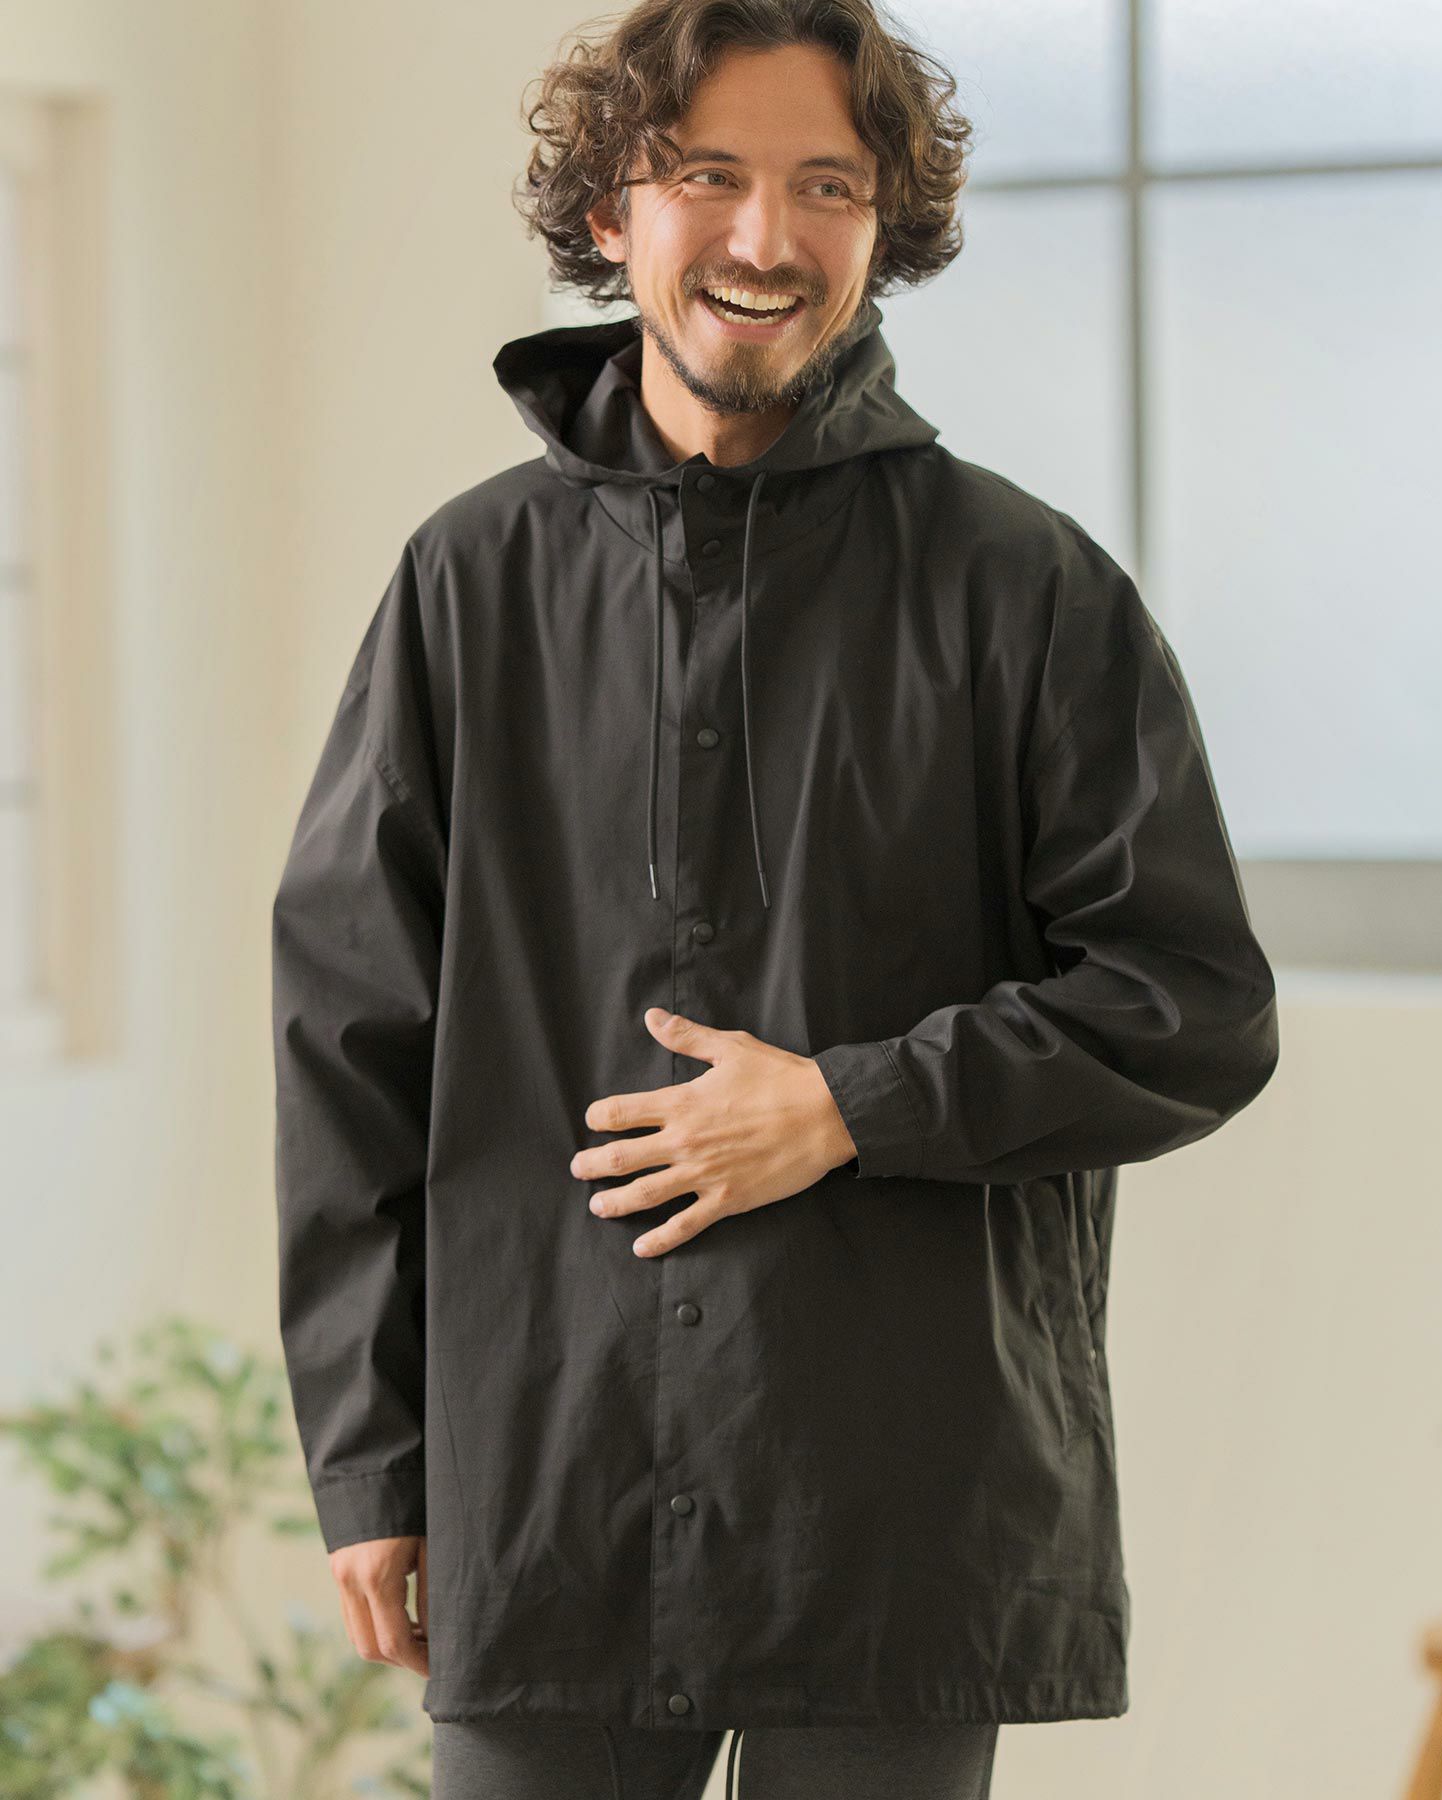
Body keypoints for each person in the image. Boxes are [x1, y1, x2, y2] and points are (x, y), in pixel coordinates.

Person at [270, 1, 1280, 1796]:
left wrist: (847, 1105)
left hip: (897, 1500)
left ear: (887, 224)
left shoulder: (1027, 591)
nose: (768, 236)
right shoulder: (467, 586)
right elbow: (350, 1033)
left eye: (828, 185)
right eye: (709, 176)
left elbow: (1190, 1005)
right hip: (549, 1485)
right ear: (611, 209)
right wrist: (370, 1461)